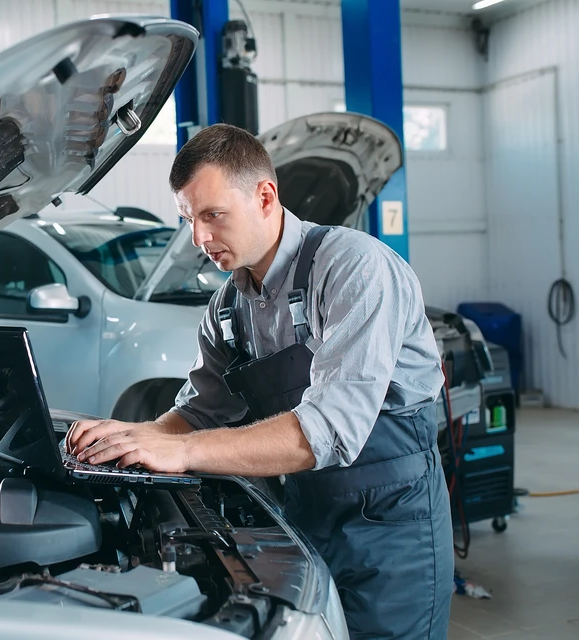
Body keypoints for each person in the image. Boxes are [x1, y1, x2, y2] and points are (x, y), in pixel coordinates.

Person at [66, 123, 453, 639]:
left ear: (265, 197)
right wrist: (134, 437)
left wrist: (182, 453)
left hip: (392, 527)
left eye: (212, 215)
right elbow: (200, 412)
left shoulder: (353, 268)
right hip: (304, 519)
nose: (199, 238)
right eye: (189, 219)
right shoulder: (228, 307)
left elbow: (330, 429)